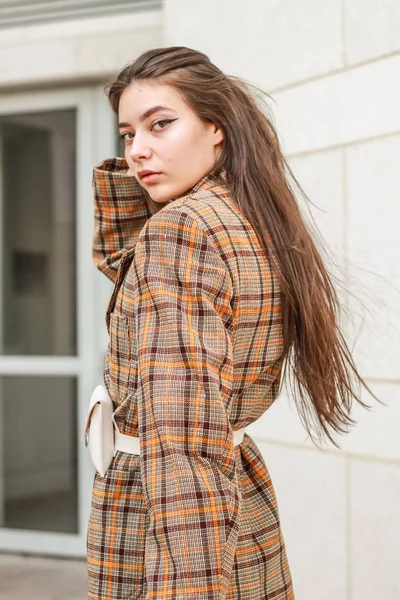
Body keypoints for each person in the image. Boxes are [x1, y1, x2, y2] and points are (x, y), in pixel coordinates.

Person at [87, 46, 375, 600]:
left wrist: (190, 588)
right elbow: (126, 270)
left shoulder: (181, 231)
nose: (138, 151)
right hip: (236, 506)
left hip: (167, 527)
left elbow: (184, 437)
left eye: (161, 125)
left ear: (215, 128)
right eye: (127, 135)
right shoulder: (244, 215)